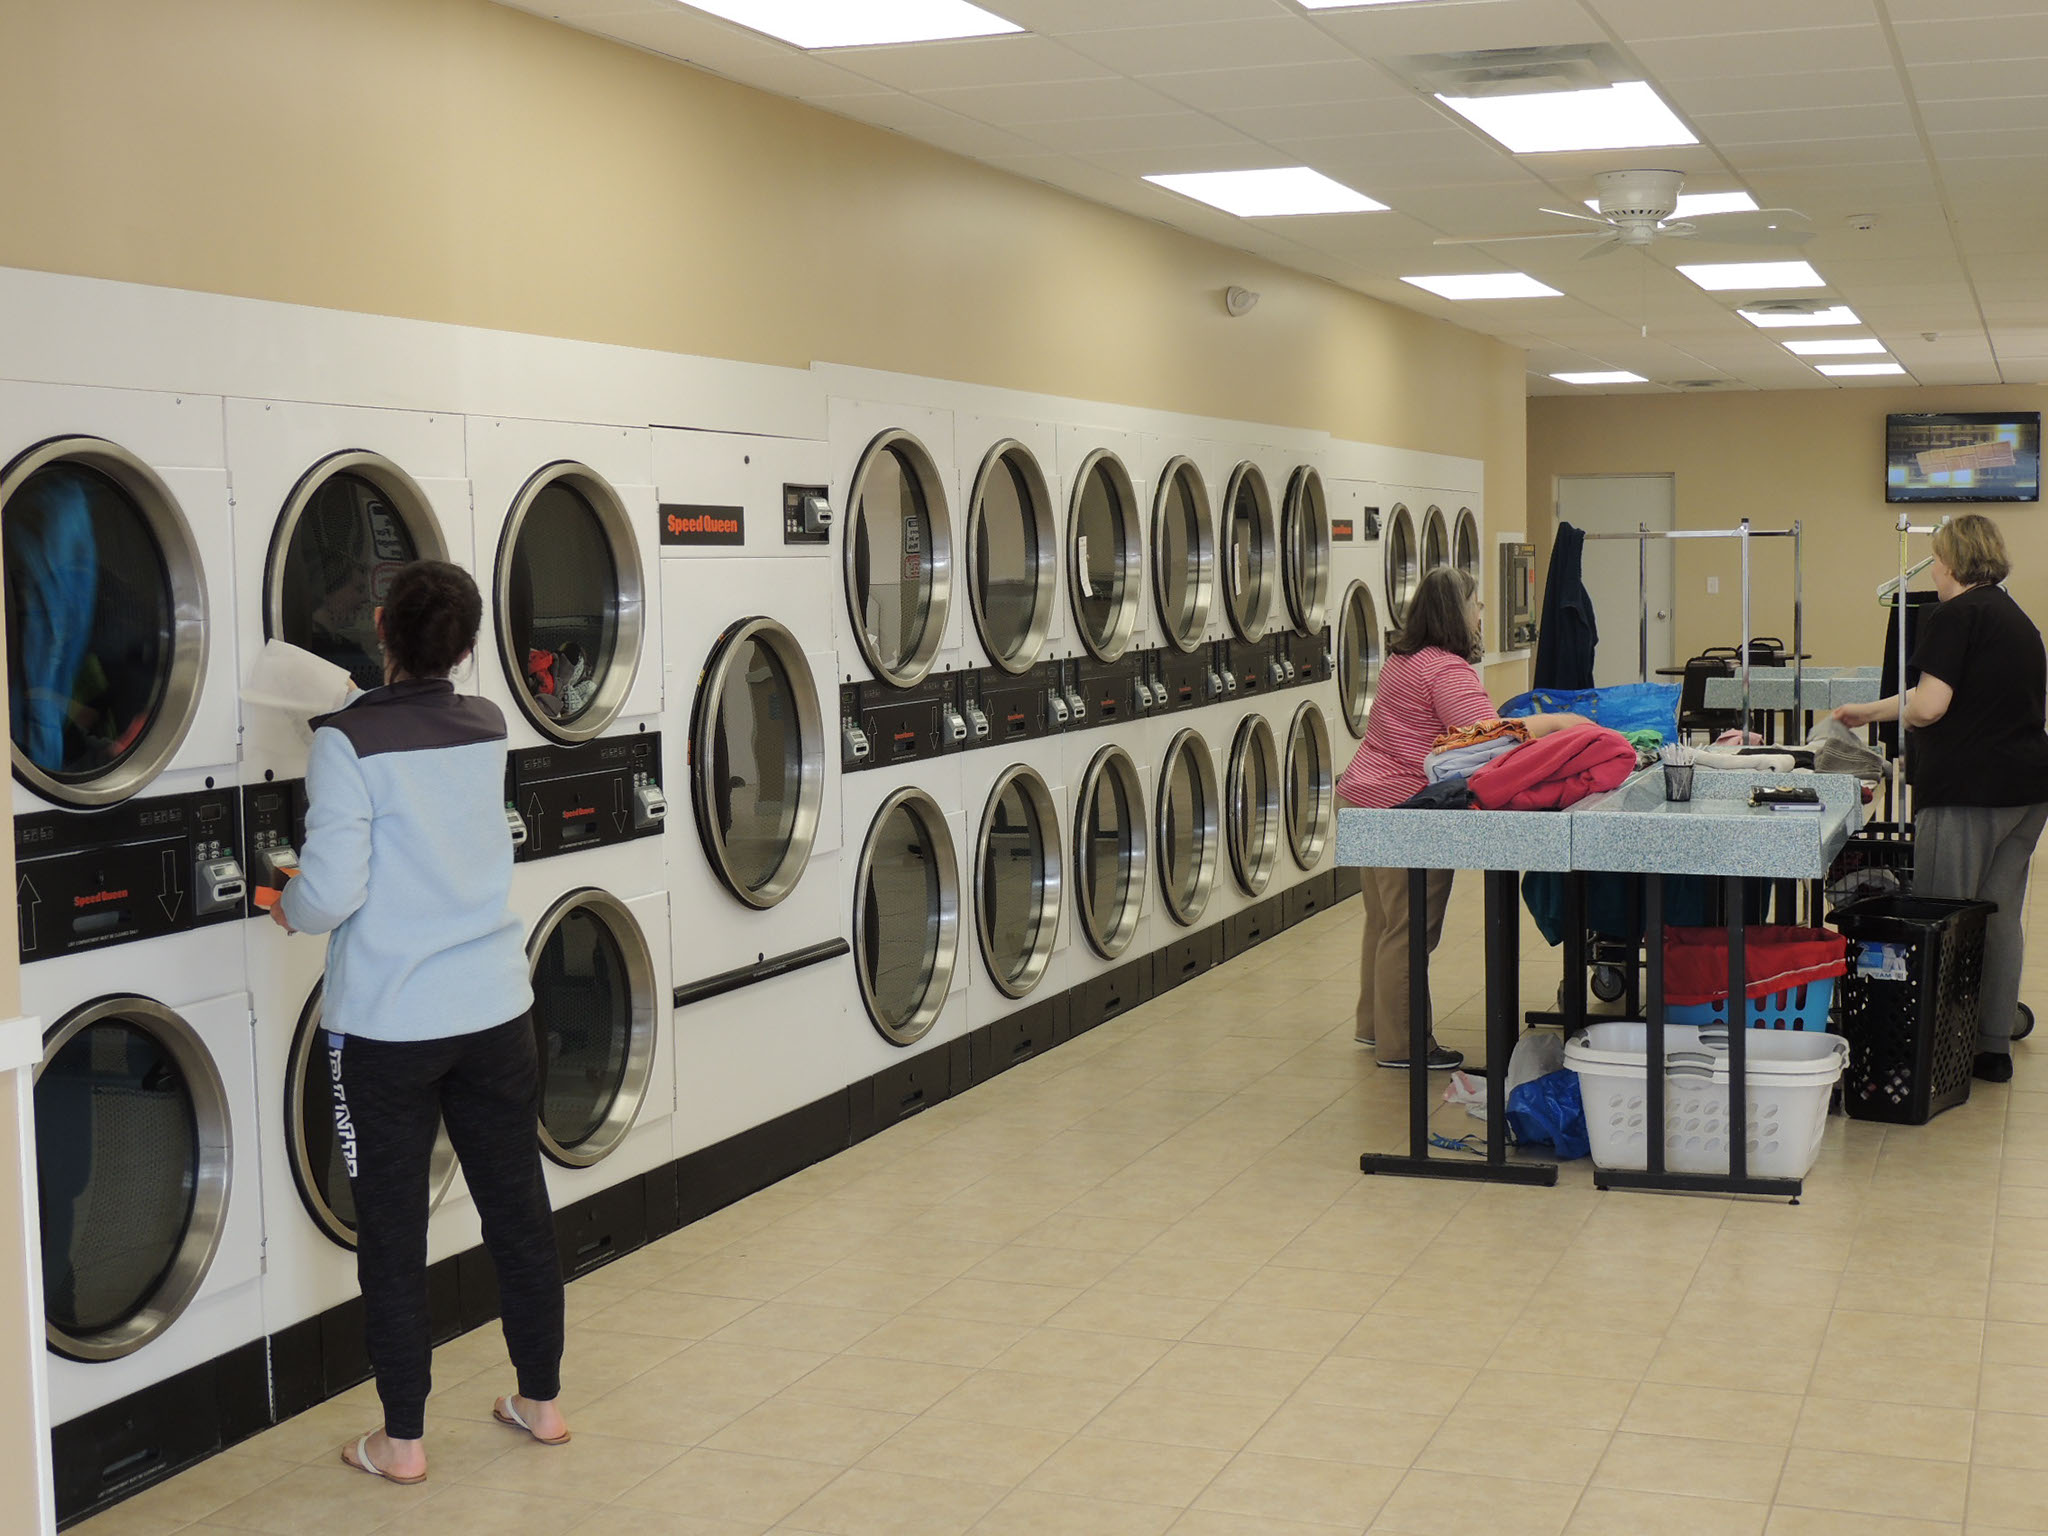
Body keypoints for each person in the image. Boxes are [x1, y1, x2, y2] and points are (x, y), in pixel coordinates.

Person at [273, 560, 568, 1482]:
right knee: (516, 1205)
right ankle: (542, 1403)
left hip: (390, 1028)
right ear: (470, 647)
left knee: (395, 1233)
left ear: (379, 628)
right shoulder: (487, 726)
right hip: (494, 1011)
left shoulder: (344, 742)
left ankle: (402, 1444)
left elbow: (330, 891)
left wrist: (285, 906)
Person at [1338, 567, 1589, 1070]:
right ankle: (1404, 1044)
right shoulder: (1447, 671)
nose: (1480, 615)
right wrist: (1560, 723)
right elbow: (1486, 736)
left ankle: (1376, 1026)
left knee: (1384, 921)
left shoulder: (1403, 660)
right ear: (1457, 611)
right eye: (1477, 604)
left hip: (1362, 797)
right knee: (1410, 928)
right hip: (1407, 811)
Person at [1834, 513, 2048, 1083]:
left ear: (1947, 562)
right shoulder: (2014, 617)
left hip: (1967, 794)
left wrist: (1896, 714)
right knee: (1997, 916)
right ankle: (1989, 1044)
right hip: (2026, 794)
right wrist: (1869, 711)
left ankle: (1930, 1044)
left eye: (1934, 557)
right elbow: (1934, 692)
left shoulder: (1952, 615)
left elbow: (1930, 707)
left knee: (1941, 915)